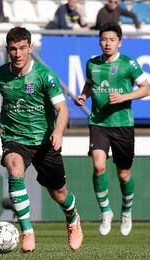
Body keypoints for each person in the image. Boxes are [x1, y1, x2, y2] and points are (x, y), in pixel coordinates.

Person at [0, 27, 83, 253]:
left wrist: (58, 132)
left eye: (22, 48)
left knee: (59, 194)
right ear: (7, 50)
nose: (18, 53)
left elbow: (62, 109)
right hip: (14, 139)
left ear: (30, 48)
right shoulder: (0, 75)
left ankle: (72, 218)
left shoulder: (44, 76)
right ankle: (27, 232)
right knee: (14, 167)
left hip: (45, 141)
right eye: (13, 49)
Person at [74, 22, 149, 236]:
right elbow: (90, 85)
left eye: (112, 40)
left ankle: (126, 211)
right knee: (98, 166)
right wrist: (83, 96)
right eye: (104, 39)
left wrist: (125, 96)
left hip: (123, 124)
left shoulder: (129, 64)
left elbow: (146, 89)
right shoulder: (91, 64)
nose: (107, 43)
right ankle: (106, 211)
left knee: (124, 174)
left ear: (120, 42)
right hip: (99, 123)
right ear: (99, 41)